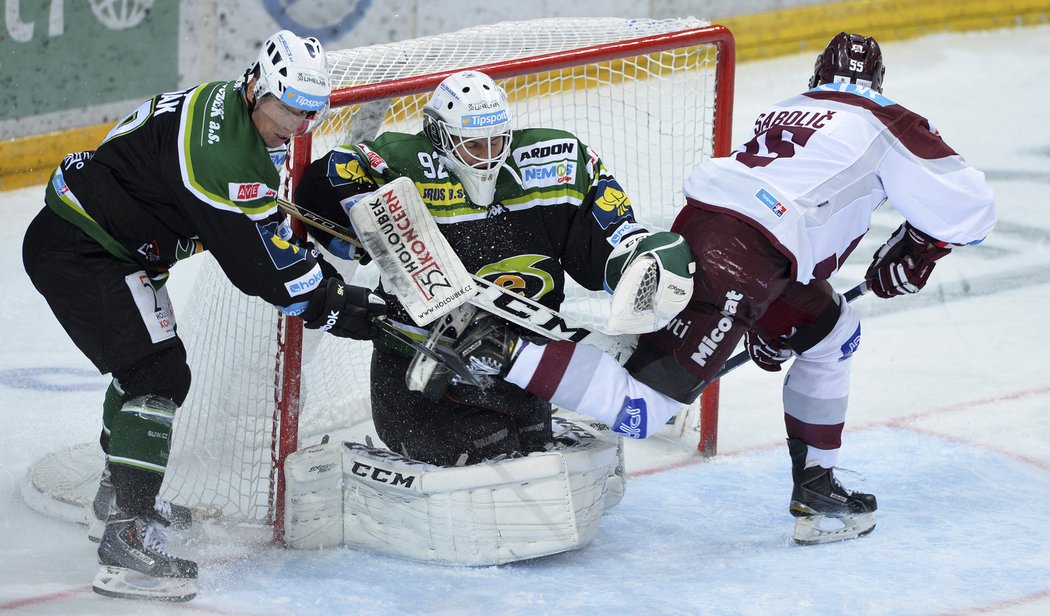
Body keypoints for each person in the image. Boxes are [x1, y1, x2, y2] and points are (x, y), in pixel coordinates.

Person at [450, 32, 996, 545]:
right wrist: (921, 247)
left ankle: (818, 491)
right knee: (642, 408)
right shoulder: (884, 117)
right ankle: (496, 347)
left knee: (832, 334)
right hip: (745, 256)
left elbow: (802, 206)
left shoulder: (790, 107)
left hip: (723, 234)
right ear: (877, 82)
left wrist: (776, 317)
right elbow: (970, 206)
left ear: (818, 74)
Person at [22, 30, 386, 602]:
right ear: (257, 87)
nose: (296, 125)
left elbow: (259, 231)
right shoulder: (225, 157)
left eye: (309, 113)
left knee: (150, 371)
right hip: (82, 248)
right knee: (157, 375)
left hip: (111, 246)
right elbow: (264, 273)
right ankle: (127, 543)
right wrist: (339, 305)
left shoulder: (232, 114)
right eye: (287, 108)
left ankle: (118, 497)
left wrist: (307, 258)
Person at [293, 70, 691, 468]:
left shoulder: (556, 163)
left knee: (535, 461)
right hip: (418, 374)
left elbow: (609, 232)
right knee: (492, 463)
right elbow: (322, 183)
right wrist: (367, 217)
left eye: (495, 141)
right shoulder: (402, 161)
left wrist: (637, 258)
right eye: (472, 144)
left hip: (523, 368)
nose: (487, 155)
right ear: (440, 136)